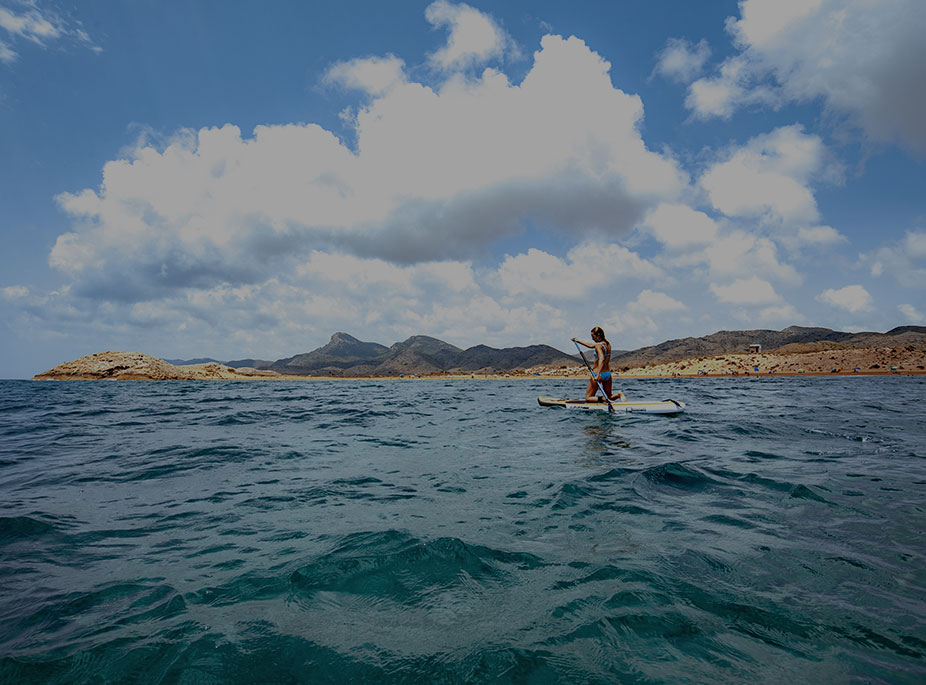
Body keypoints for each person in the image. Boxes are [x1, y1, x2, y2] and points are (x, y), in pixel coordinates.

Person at [572, 327, 625, 403]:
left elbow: (602, 359)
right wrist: (578, 341)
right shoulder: (607, 344)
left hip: (598, 373)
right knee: (609, 396)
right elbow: (591, 345)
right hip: (607, 374)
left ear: (599, 335)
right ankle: (618, 395)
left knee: (588, 398)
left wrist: (597, 375)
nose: (592, 339)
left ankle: (604, 399)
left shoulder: (598, 346)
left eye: (593, 337)